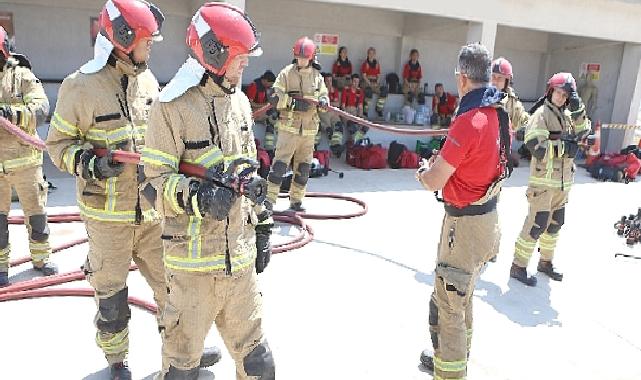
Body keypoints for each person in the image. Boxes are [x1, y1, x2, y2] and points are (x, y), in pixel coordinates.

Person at [46, 1, 219, 378]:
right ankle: (116, 361)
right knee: (112, 298)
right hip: (108, 219)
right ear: (123, 40)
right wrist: (92, 164)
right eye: (146, 40)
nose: (152, 46)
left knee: (173, 290)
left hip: (152, 213)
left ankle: (180, 354)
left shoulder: (148, 82)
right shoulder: (80, 87)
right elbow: (57, 147)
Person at [141, 3, 275, 379]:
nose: (244, 66)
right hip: (192, 275)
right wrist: (199, 197)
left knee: (259, 365)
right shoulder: (169, 108)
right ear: (215, 55)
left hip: (240, 269)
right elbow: (154, 182)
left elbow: (248, 169)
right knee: (181, 371)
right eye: (240, 59)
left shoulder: (241, 103)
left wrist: (262, 226)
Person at [416, 43, 511, 380]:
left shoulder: (469, 121)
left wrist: (425, 171)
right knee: (464, 295)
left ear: (462, 78)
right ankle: (459, 358)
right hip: (487, 222)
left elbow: (435, 181)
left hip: (464, 229)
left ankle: (450, 371)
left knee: (449, 307)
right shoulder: (499, 114)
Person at [510, 72, 590, 286]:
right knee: (537, 224)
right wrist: (565, 147)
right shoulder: (542, 114)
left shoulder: (568, 116)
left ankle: (545, 263)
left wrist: (578, 108)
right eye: (559, 93)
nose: (561, 98)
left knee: (555, 225)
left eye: (566, 96)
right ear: (551, 91)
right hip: (543, 184)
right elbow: (535, 146)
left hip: (562, 184)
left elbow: (584, 132)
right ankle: (518, 266)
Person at [0, 26, 57, 286]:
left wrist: (10, 114)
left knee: (36, 216)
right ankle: (1, 269)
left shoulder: (21, 76)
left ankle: (42, 260)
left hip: (26, 163)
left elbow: (42, 108)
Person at [265, 36, 329, 212]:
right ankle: (269, 200)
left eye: (304, 57)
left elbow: (324, 98)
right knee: (279, 167)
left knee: (303, 168)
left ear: (311, 57)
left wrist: (323, 102)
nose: (301, 60)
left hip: (308, 132)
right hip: (289, 131)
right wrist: (293, 103)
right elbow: (273, 96)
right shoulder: (287, 73)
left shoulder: (317, 77)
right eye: (298, 57)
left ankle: (296, 201)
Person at [244, 70, 277, 158]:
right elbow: (250, 103)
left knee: (273, 118)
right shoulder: (254, 86)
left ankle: (270, 148)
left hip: (262, 111)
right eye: (270, 83)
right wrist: (265, 105)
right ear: (265, 80)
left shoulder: (266, 88)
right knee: (270, 118)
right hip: (253, 112)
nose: (270, 86)